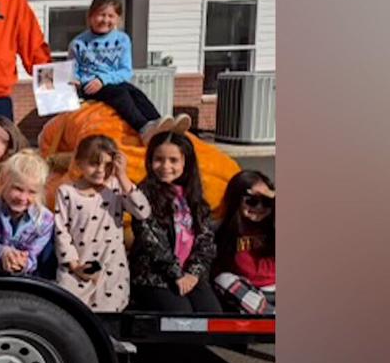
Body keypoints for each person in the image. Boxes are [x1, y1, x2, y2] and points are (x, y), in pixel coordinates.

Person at [69, 0, 188, 142]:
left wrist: (104, 79)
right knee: (120, 93)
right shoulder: (78, 43)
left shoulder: (122, 40)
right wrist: (77, 82)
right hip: (91, 87)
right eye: (101, 15)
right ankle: (143, 128)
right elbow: (72, 71)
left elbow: (126, 71)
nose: (105, 20)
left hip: (112, 82)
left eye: (111, 16)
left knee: (135, 92)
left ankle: (160, 124)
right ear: (91, 16)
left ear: (118, 19)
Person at [53, 135, 151, 311]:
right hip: (76, 269)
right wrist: (75, 266)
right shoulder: (67, 192)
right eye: (93, 163)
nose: (100, 170)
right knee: (72, 317)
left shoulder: (116, 188)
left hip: (110, 270)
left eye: (107, 165)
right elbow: (62, 231)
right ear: (79, 162)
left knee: (108, 320)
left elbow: (142, 211)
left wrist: (122, 176)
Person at [129, 132, 222, 313]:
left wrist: (193, 274)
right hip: (155, 274)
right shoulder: (143, 194)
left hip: (189, 273)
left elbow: (206, 239)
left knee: (211, 315)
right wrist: (176, 274)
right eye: (159, 159)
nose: (165, 166)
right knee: (181, 318)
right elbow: (152, 241)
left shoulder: (193, 195)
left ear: (185, 163)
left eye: (173, 160)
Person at [0, 152, 55, 276]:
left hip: (25, 279)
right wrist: (3, 253)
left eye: (32, 192)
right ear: (3, 183)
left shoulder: (45, 220)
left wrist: (22, 263)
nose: (23, 198)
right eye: (18, 189)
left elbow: (34, 255)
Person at [212, 170, 276, 313]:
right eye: (251, 201)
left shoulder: (275, 225)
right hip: (249, 293)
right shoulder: (223, 231)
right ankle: (271, 315)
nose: (259, 208)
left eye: (266, 201)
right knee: (223, 279)